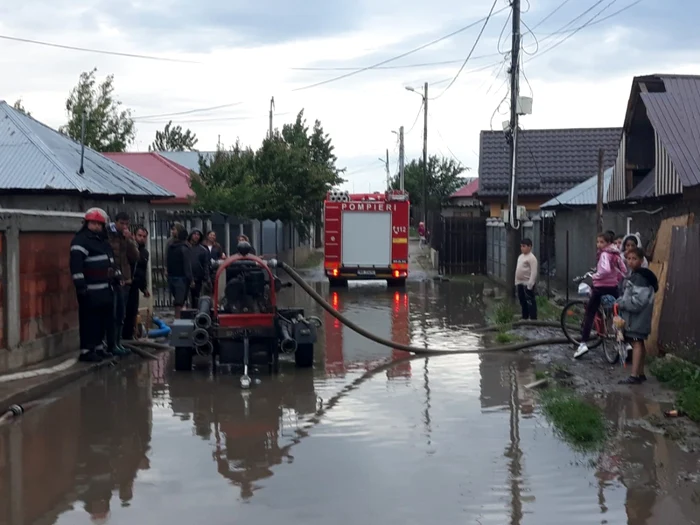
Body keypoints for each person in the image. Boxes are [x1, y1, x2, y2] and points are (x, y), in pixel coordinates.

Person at [70, 208, 120, 362]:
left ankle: (99, 347)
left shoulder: (102, 241)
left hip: (105, 289)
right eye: (93, 223)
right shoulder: (80, 240)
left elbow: (111, 260)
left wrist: (117, 275)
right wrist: (81, 287)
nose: (96, 226)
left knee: (103, 321)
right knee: (89, 321)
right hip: (90, 291)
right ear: (87, 223)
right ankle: (86, 351)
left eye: (99, 224)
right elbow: (76, 266)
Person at [575, 231, 627, 359]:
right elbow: (623, 271)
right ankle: (624, 342)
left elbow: (604, 270)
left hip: (600, 288)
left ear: (608, 243)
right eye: (598, 242)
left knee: (590, 313)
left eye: (601, 242)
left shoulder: (605, 254)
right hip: (613, 288)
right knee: (617, 315)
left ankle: (583, 344)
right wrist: (615, 279)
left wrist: (595, 276)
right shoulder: (616, 254)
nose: (599, 244)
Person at [616, 247, 658, 384]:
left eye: (634, 259)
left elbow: (638, 302)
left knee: (636, 343)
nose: (631, 261)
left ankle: (634, 375)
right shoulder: (638, 275)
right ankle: (640, 373)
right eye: (628, 258)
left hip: (637, 318)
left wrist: (621, 303)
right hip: (639, 318)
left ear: (641, 260)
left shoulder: (640, 277)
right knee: (639, 342)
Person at [108, 212, 140, 355]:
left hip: (125, 279)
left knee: (122, 313)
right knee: (113, 314)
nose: (124, 226)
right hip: (112, 279)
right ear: (116, 222)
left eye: (127, 224)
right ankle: (111, 343)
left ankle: (118, 342)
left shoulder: (126, 237)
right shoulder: (108, 234)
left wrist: (130, 240)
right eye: (122, 223)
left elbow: (135, 257)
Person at [123, 226, 150, 341]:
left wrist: (144, 288)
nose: (142, 238)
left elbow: (142, 272)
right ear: (134, 236)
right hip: (125, 284)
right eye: (139, 235)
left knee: (132, 312)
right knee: (123, 312)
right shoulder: (127, 248)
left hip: (135, 285)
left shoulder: (145, 252)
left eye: (144, 236)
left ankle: (129, 337)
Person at [167, 228, 192, 318]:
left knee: (179, 301)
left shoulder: (171, 247)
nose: (172, 231)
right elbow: (187, 265)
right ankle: (178, 320)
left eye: (174, 230)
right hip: (181, 278)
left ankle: (179, 319)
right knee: (180, 301)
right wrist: (190, 279)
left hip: (173, 277)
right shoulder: (184, 248)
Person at [515, 238, 538, 320]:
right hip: (520, 282)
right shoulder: (520, 257)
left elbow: (534, 272)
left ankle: (533, 318)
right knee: (522, 301)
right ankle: (525, 316)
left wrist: (530, 285)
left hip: (527, 283)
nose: (522, 248)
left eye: (524, 246)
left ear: (529, 247)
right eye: (521, 246)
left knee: (530, 301)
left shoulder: (532, 258)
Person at [188, 229, 210, 307]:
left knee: (196, 297)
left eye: (198, 234)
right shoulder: (186, 248)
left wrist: (206, 278)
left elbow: (206, 265)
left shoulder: (203, 250)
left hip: (198, 277)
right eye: (194, 234)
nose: (196, 236)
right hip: (186, 276)